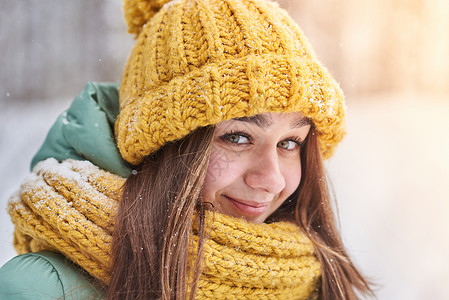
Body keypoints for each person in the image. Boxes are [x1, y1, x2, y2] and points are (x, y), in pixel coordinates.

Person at [0, 0, 374, 299]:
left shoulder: (313, 278)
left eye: (290, 143)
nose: (271, 180)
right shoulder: (44, 289)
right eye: (238, 137)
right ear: (164, 146)